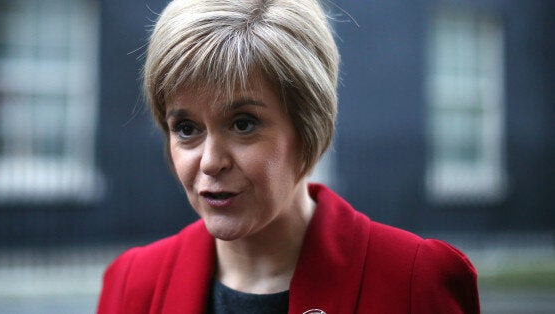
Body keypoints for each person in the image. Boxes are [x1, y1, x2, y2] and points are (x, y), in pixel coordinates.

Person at [97, 0, 480, 313]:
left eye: (243, 124)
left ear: (307, 127)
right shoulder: (132, 285)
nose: (211, 161)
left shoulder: (413, 281)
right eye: (186, 128)